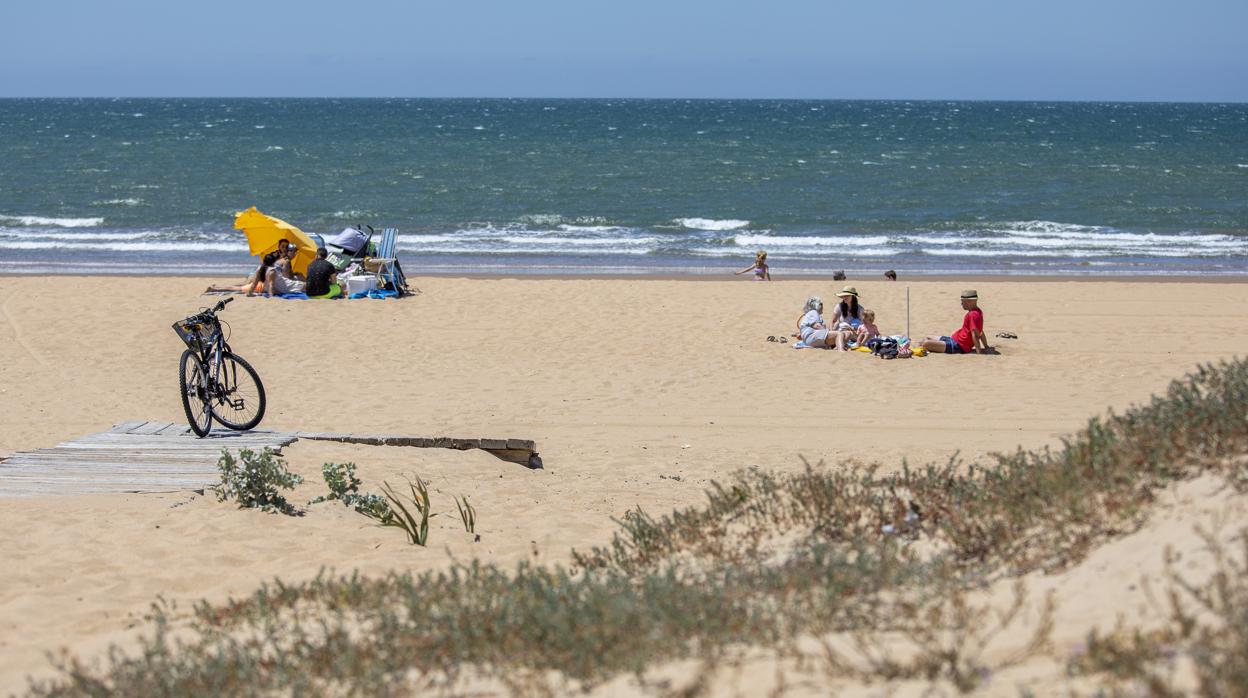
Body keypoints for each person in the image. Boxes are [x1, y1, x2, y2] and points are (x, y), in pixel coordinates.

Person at [916, 290, 991, 354]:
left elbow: (975, 334)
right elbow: (980, 331)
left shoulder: (972, 315)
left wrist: (978, 351)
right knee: (928, 337)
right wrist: (986, 346)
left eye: (963, 302)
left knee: (925, 343)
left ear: (969, 302)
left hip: (958, 346)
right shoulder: (978, 311)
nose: (961, 304)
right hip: (954, 339)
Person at [205, 252, 278, 295]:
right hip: (258, 288)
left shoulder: (262, 268)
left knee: (234, 287)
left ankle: (216, 287)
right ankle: (214, 289)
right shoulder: (270, 270)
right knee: (233, 289)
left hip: (258, 286)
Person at [828, 286, 868, 351]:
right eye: (843, 296)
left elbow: (864, 326)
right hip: (841, 331)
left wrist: (852, 329)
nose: (844, 297)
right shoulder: (839, 306)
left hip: (854, 333)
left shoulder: (860, 309)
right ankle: (839, 345)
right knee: (837, 325)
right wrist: (831, 331)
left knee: (848, 332)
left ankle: (839, 346)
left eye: (847, 295)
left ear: (853, 296)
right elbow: (832, 321)